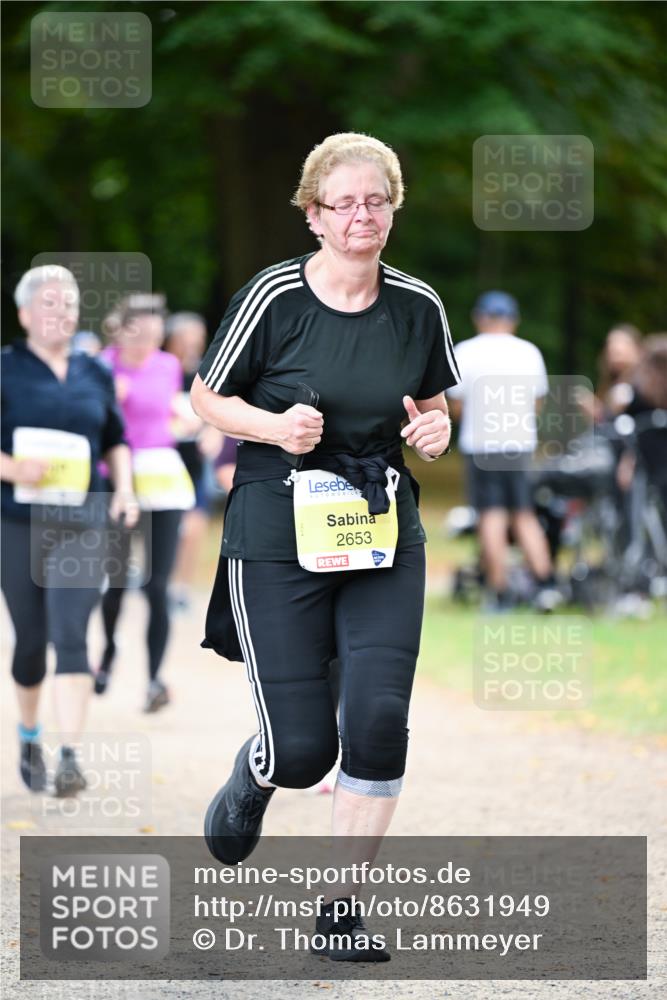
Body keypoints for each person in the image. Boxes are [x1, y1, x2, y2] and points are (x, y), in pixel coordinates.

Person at [191, 132, 459, 962]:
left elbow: (436, 402)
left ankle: (341, 908)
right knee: (305, 750)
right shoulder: (274, 297)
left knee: (378, 722)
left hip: (380, 528)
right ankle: (258, 773)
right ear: (313, 215)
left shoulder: (418, 304)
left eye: (376, 201)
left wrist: (436, 429)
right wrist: (273, 425)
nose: (361, 217)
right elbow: (205, 397)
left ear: (393, 208)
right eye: (342, 204)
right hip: (277, 530)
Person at [1, 265, 137, 794]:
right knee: (31, 642)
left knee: (72, 635)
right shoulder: (7, 369)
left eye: (71, 305)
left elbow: (116, 439)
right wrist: (13, 469)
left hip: (84, 519)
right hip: (17, 521)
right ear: (25, 313)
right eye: (51, 304)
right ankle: (30, 735)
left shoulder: (95, 372)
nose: (63, 313)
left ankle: (71, 756)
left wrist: (124, 489)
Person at [96, 294, 195, 712]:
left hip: (162, 481)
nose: (147, 344)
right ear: (119, 330)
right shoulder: (101, 367)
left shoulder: (169, 366)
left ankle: (154, 680)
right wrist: (109, 400)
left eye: (155, 336)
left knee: (157, 587)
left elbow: (167, 417)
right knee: (117, 583)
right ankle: (107, 656)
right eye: (139, 335)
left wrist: (185, 421)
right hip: (116, 483)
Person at [446, 291, 559, 612]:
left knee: (491, 516)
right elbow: (537, 403)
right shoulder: (529, 352)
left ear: (480, 317)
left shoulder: (465, 352)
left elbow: (456, 405)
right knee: (524, 514)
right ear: (513, 319)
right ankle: (545, 584)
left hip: (481, 444)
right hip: (520, 444)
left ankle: (500, 590)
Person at [164, 312, 222, 611]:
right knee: (164, 528)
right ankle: (158, 581)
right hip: (162, 464)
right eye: (186, 338)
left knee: (194, 528)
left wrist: (213, 434)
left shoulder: (207, 373)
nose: (193, 345)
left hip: (195, 463)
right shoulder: (160, 370)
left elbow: (220, 412)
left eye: (197, 339)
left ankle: (182, 588)